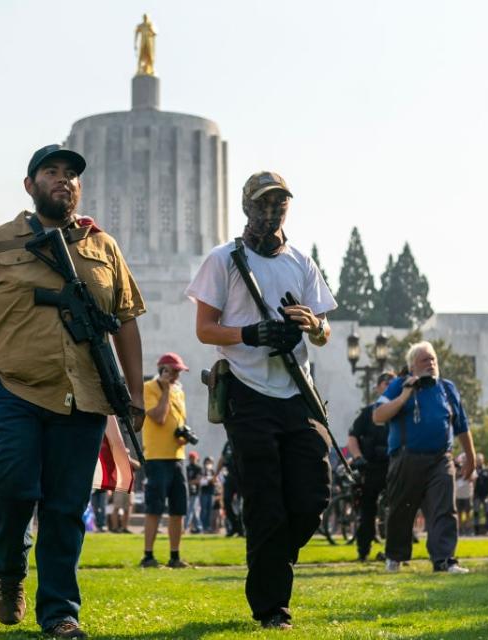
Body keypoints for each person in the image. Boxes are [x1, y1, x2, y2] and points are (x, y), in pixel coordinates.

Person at [0, 143, 146, 639]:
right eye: (51, 172)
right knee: (10, 490)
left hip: (85, 397)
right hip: (13, 390)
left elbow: (126, 324)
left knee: (66, 509)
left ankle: (59, 613)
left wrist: (135, 395)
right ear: (30, 186)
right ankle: (10, 571)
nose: (63, 180)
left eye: (71, 174)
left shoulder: (103, 248)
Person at [186, 170, 336, 630]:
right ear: (248, 206)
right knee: (265, 500)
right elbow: (205, 329)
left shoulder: (302, 263)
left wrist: (311, 324)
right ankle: (273, 608)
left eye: (280, 204)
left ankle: (271, 560)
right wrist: (251, 333)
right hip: (248, 393)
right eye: (264, 204)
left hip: (296, 392)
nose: (272, 212)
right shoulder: (223, 260)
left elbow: (326, 333)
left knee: (314, 494)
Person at [373, 341, 477, 574]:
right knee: (401, 509)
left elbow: (461, 426)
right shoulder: (398, 385)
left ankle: (444, 560)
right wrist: (404, 395)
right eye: (424, 360)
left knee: (444, 509)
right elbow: (378, 416)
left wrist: (471, 458)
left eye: (433, 359)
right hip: (406, 457)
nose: (430, 363)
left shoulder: (447, 388)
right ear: (412, 366)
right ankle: (395, 556)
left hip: (441, 458)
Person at [140, 352, 191, 569]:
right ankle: (148, 556)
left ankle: (175, 556)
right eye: (174, 371)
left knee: (178, 509)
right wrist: (165, 390)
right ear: (164, 370)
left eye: (179, 371)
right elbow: (159, 417)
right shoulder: (149, 388)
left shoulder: (179, 391)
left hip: (177, 456)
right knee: (155, 508)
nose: (178, 375)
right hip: (157, 457)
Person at [347, 371, 394, 561]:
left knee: (397, 510)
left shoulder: (401, 410)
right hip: (371, 467)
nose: (389, 385)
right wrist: (358, 457)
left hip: (393, 466)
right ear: (378, 387)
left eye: (393, 382)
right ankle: (363, 551)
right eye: (386, 382)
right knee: (367, 512)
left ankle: (394, 553)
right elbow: (352, 437)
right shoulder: (367, 413)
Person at [216, 439, 243, 537]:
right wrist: (216, 473)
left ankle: (241, 528)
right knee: (226, 500)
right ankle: (234, 525)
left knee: (242, 504)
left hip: (242, 476)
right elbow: (222, 458)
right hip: (230, 476)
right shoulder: (228, 443)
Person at [454, 454, 476, 536]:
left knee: (468, 513)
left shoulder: (471, 469)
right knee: (459, 513)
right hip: (458, 495)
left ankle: (469, 530)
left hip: (467, 494)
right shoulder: (456, 470)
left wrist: (466, 472)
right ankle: (459, 530)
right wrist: (459, 471)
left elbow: (472, 480)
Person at [472, 453, 488, 535]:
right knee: (476, 512)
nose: (479, 461)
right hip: (477, 495)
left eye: (480, 460)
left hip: (485, 494)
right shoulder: (474, 470)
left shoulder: (487, 470)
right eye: (477, 460)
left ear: (483, 460)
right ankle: (476, 530)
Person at [185, 451, 203, 534]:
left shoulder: (199, 468)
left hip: (196, 492)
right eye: (190, 458)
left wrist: (191, 482)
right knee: (195, 510)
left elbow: (198, 480)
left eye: (193, 458)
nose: (192, 459)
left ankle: (185, 526)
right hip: (189, 491)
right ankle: (199, 527)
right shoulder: (188, 467)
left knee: (190, 509)